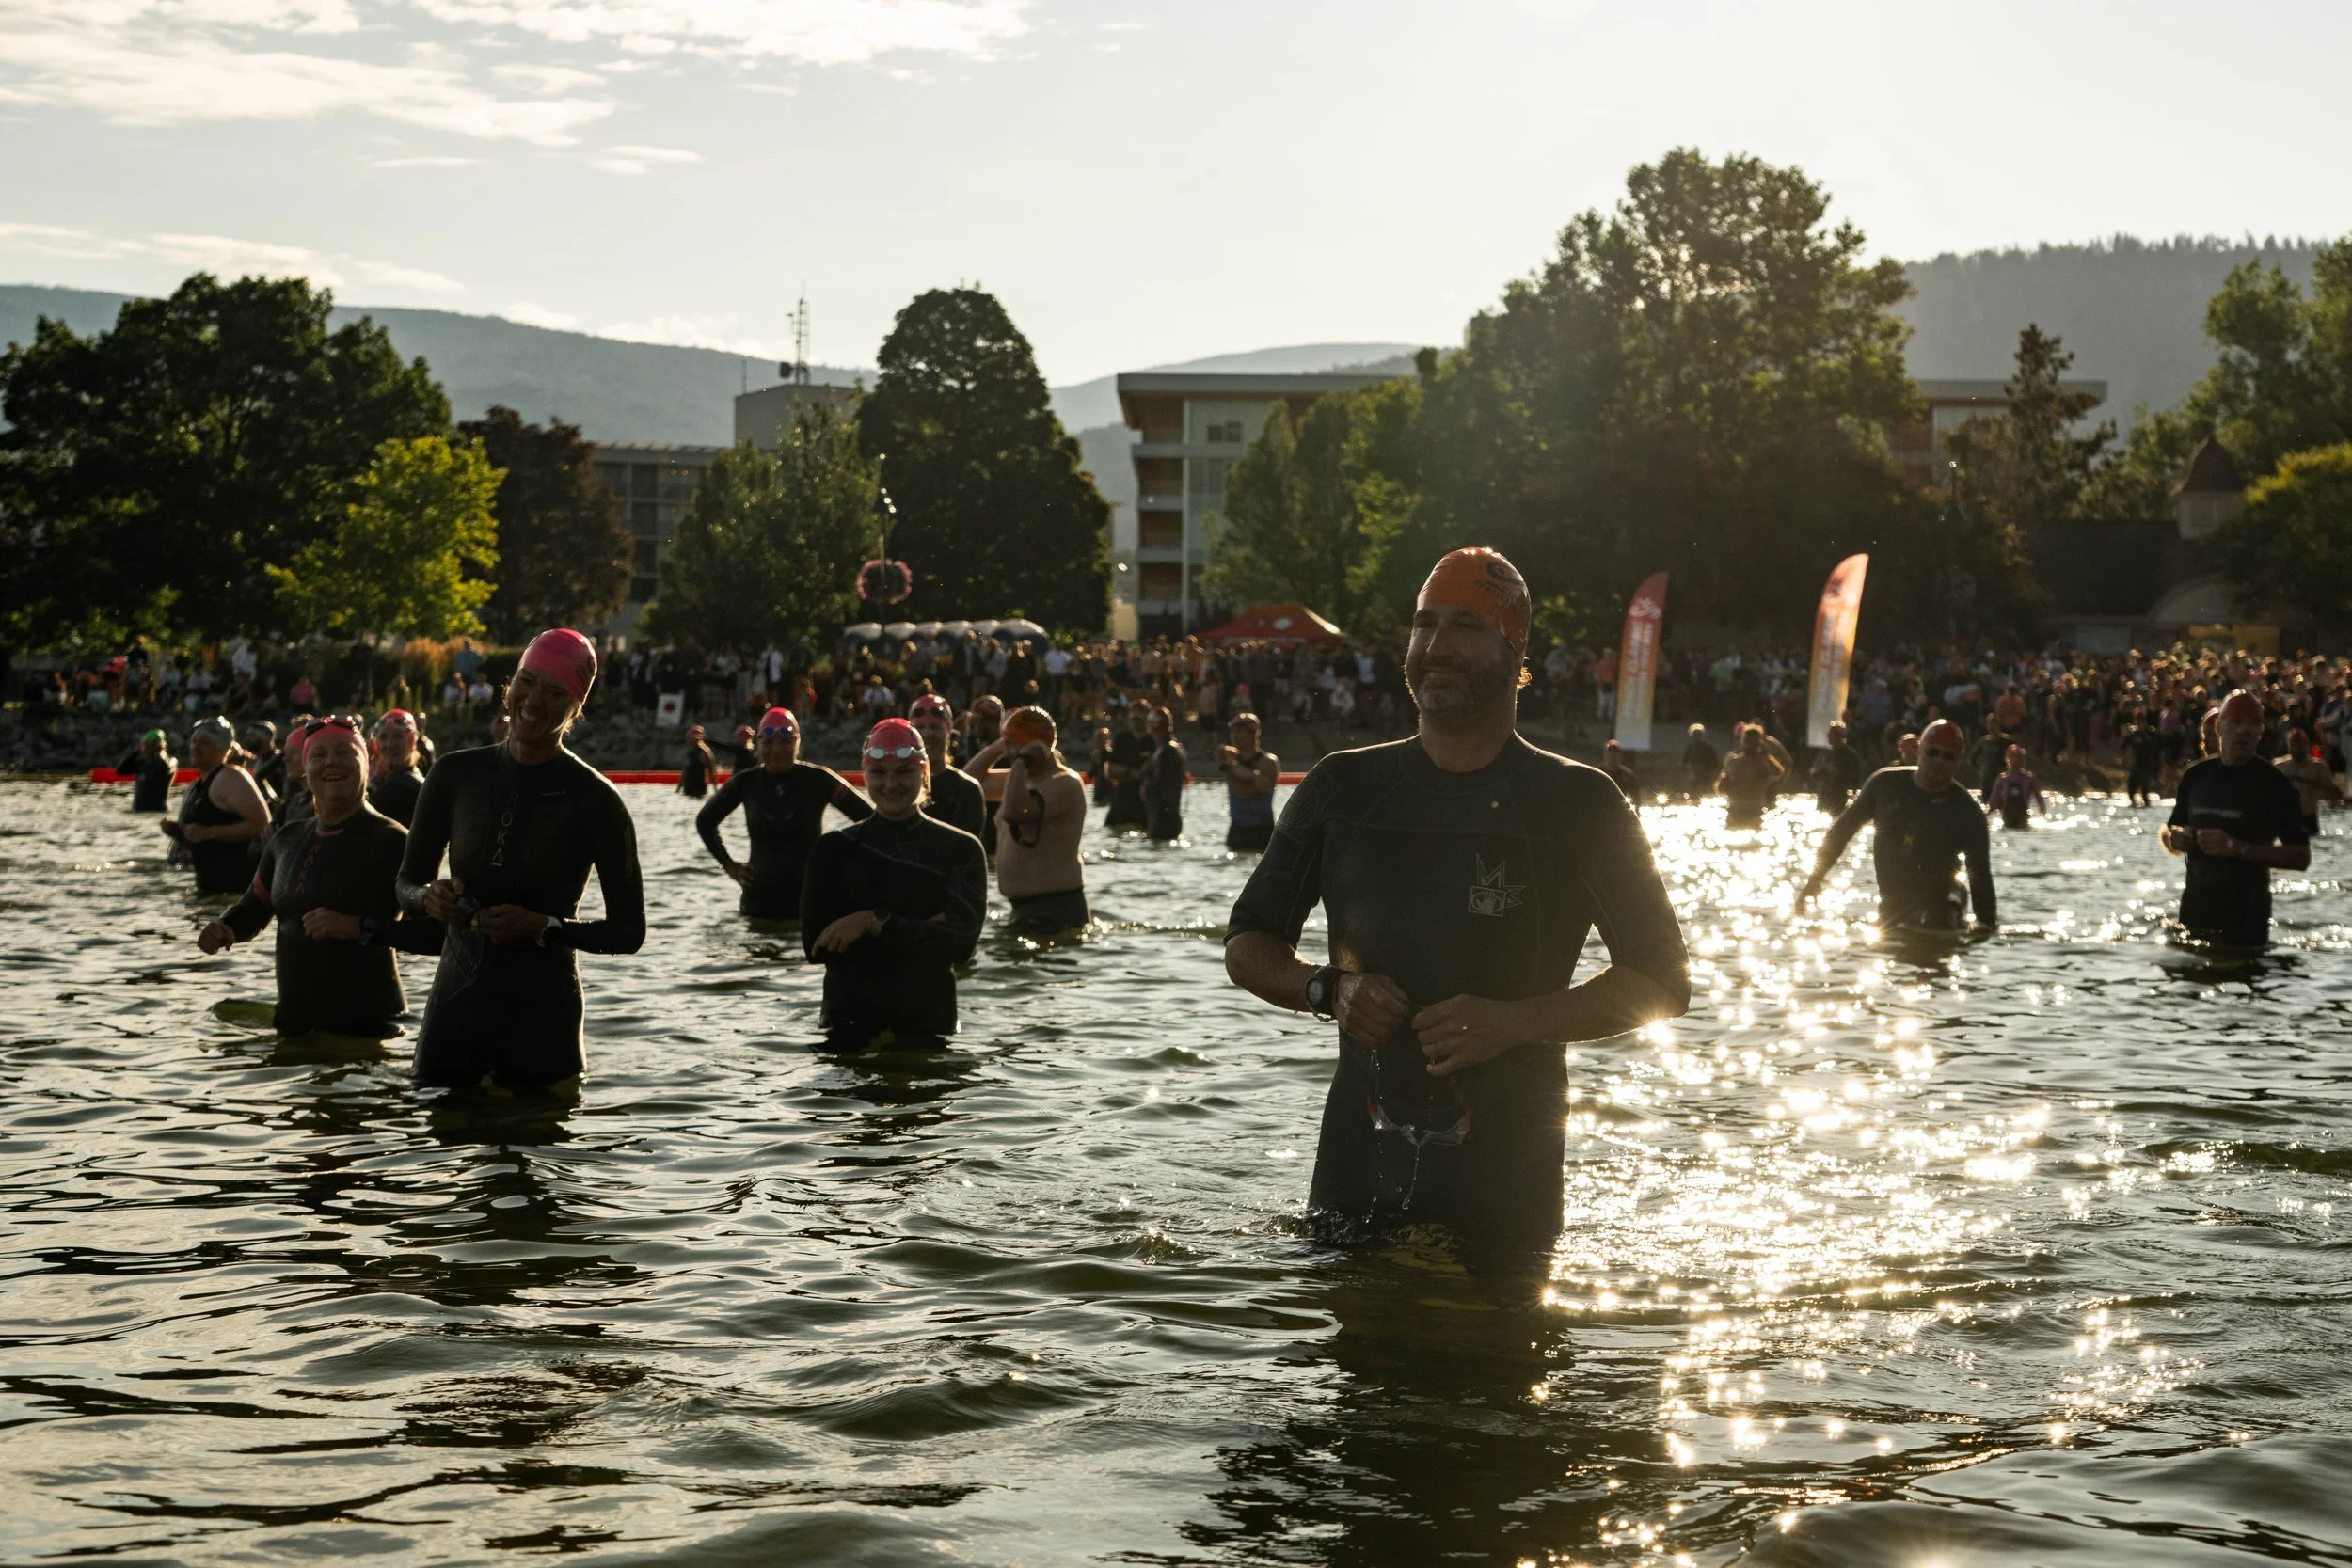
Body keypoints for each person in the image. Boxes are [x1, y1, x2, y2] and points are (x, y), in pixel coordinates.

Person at [1224, 546, 1690, 1258]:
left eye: (1467, 625)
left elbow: (1663, 982)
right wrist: (1330, 989)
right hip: (1354, 1177)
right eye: (1424, 623)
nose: (1437, 645)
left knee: (1494, 1329)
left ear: (1515, 653)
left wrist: (1513, 1023)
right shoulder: (1343, 787)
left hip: (1506, 1190)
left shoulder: (1579, 802)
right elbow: (1247, 941)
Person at [397, 629, 646, 1093]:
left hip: (543, 1022)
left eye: (555, 692)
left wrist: (544, 927)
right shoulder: (454, 774)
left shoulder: (596, 800)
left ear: (577, 707)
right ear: (509, 685)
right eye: (527, 682)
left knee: (537, 1134)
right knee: (436, 1130)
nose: (534, 701)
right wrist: (430, 898)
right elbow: (405, 885)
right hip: (453, 1016)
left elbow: (629, 932)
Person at [197, 719, 431, 1037]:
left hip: (369, 1032)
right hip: (294, 1027)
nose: (332, 761)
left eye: (344, 752)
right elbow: (254, 907)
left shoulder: (393, 841)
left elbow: (436, 933)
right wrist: (226, 927)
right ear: (305, 771)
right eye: (319, 755)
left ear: (367, 762)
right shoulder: (286, 840)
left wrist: (359, 927)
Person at [800, 719, 989, 1047]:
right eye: (878, 772)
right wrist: (925, 930)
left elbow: (960, 946)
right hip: (848, 1022)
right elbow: (816, 948)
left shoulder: (961, 849)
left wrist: (871, 922)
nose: (890, 784)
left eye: (903, 772)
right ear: (865, 775)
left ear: (924, 773)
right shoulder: (833, 849)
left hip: (927, 1022)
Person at [1797, 718, 1995, 933]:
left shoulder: (1968, 812)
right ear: (1919, 751)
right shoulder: (1884, 785)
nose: (1939, 761)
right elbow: (1840, 832)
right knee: (1890, 935)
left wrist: (1986, 927)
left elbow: (1980, 877)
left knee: (1936, 919)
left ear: (1959, 761)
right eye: (1932, 753)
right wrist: (1814, 880)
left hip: (1943, 904)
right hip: (1895, 904)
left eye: (1948, 756)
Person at [2160, 690, 2311, 947]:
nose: (2244, 731)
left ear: (2261, 732)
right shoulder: (2196, 776)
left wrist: (2235, 847)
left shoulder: (2274, 784)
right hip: (2194, 913)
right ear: (2219, 727)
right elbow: (2170, 829)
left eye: (2253, 724)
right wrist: (2175, 838)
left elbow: (2301, 857)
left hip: (2246, 922)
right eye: (2237, 723)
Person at [695, 706, 872, 919]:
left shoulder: (819, 780)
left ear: (797, 742)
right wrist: (728, 864)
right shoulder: (746, 782)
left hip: (809, 906)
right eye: (769, 742)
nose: (777, 749)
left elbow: (871, 820)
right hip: (757, 907)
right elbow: (705, 820)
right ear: (758, 743)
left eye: (785, 742)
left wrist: (843, 864)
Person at [971, 705, 1090, 931]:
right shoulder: (1017, 782)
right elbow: (968, 785)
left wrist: (1020, 761)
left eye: (1013, 745)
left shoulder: (1066, 783)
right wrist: (1001, 744)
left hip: (1057, 909)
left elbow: (1013, 812)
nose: (1008, 753)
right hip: (1022, 909)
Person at [163, 716, 270, 894]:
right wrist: (179, 833)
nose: (195, 747)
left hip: (235, 888)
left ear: (223, 749)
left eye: (205, 743)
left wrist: (208, 832)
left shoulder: (231, 777)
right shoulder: (196, 786)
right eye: (194, 741)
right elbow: (202, 838)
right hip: (209, 886)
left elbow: (262, 824)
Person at [909, 693, 987, 843]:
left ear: (949, 732)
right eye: (920, 727)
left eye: (935, 727)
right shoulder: (897, 786)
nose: (927, 734)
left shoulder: (966, 790)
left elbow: (964, 848)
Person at [1219, 712, 1280, 851]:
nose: (1234, 736)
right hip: (1236, 829)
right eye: (1233, 732)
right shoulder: (1229, 757)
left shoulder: (1268, 762)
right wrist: (1250, 774)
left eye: (1239, 732)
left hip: (1261, 831)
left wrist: (1231, 767)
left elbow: (1245, 793)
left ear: (1253, 734)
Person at [2276, 726, 2344, 837]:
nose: (2297, 747)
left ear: (2307, 744)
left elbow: (2334, 792)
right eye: (2293, 744)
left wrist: (2308, 781)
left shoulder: (2318, 766)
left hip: (2309, 818)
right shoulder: (2279, 766)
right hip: (2287, 819)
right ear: (2288, 745)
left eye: (2300, 744)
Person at [1716, 725, 1786, 831]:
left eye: (1753, 743)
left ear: (1759, 744)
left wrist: (1765, 756)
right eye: (1747, 742)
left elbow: (1777, 774)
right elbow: (1720, 789)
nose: (1749, 746)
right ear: (1742, 742)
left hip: (1755, 814)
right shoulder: (1733, 762)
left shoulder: (1765, 762)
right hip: (1734, 812)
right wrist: (1723, 784)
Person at [370, 709, 426, 827]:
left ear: (412, 742)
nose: (390, 744)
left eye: (398, 736)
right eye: (383, 737)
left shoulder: (399, 787)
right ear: (377, 745)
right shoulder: (417, 778)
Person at [1142, 705, 1188, 842]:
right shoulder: (1169, 749)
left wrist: (1146, 789)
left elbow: (1161, 787)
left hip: (1163, 818)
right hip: (1166, 816)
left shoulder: (1167, 752)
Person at [1104, 703, 1152, 830]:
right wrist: (1131, 773)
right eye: (1133, 713)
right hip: (1122, 801)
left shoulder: (1153, 741)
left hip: (1144, 804)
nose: (1136, 716)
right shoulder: (1122, 739)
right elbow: (1109, 770)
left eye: (1141, 713)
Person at [1984, 744, 2045, 830]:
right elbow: (1992, 800)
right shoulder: (2002, 779)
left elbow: (2040, 800)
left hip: (2022, 818)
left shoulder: (2029, 779)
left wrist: (2043, 815)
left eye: (2020, 758)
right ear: (2008, 759)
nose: (2018, 761)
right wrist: (1985, 816)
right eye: (2015, 758)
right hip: (2007, 818)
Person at [1810, 721, 1866, 816]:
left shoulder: (1849, 754)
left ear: (1840, 736)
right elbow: (1813, 771)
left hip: (1839, 799)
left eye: (1831, 735)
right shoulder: (1825, 752)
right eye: (1828, 734)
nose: (1828, 737)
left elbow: (1856, 778)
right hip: (1823, 797)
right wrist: (1821, 771)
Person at [118, 728, 177, 814]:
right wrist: (136, 753)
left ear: (157, 747)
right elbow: (121, 770)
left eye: (148, 745)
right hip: (138, 811)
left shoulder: (171, 761)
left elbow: (166, 768)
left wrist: (161, 753)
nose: (144, 748)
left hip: (158, 812)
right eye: (143, 745)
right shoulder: (141, 763)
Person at [2121, 707, 2165, 808]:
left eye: (2141, 719)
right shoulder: (2133, 734)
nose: (2139, 721)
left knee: (2145, 792)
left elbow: (2160, 748)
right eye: (2137, 719)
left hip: (2148, 764)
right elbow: (2123, 747)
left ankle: (2146, 807)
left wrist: (2158, 765)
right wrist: (2124, 762)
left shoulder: (2151, 733)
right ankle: (2134, 807)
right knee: (2131, 791)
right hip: (2136, 764)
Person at [1680, 722, 1719, 800]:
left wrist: (1713, 768)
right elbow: (1685, 758)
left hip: (1705, 770)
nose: (1696, 736)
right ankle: (1696, 798)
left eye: (1698, 734)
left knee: (1701, 787)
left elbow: (1713, 758)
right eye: (1695, 735)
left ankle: (1699, 798)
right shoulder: (1692, 746)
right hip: (1696, 770)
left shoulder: (1706, 746)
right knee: (1696, 787)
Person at [679, 724, 716, 800]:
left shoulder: (704, 752)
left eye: (691, 737)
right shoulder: (689, 751)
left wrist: (716, 791)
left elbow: (711, 772)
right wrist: (678, 790)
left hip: (699, 789)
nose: (689, 738)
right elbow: (685, 772)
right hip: (688, 789)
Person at [1599, 738, 1641, 803]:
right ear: (1605, 754)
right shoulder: (1598, 774)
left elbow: (1636, 798)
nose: (1612, 756)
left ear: (1619, 756)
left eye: (1615, 753)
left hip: (1620, 807)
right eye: (1610, 752)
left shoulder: (1628, 777)